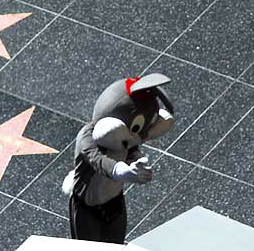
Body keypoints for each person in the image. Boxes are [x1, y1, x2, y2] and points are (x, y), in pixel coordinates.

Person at [62, 74, 175, 243]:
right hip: (87, 207)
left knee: (115, 244)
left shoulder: (127, 137)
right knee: (87, 246)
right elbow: (98, 161)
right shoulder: (87, 137)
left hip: (114, 201)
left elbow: (131, 148)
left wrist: (137, 161)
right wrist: (124, 172)